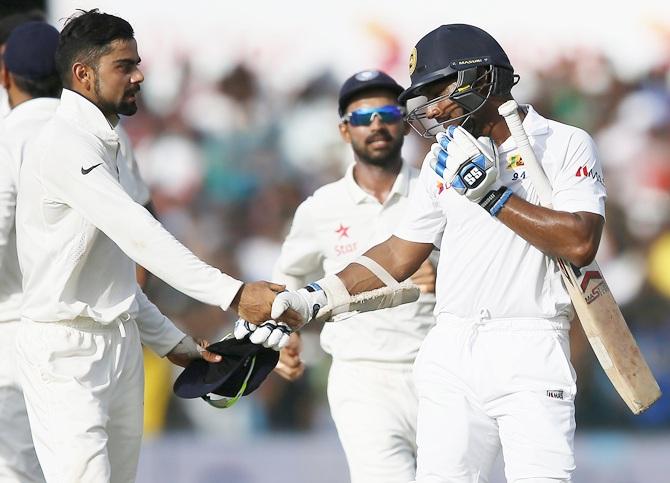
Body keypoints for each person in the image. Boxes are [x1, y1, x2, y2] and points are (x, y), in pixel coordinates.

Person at [270, 24, 607, 483]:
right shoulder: (442, 158)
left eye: (438, 89)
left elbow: (580, 242)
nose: (432, 106)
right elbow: (399, 252)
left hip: (529, 344)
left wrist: (495, 199)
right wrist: (315, 296)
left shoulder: (565, 143)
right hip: (450, 347)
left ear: (481, 77)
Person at [13, 10, 282, 483]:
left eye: (137, 62)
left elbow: (116, 274)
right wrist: (235, 295)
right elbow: (139, 233)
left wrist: (172, 342)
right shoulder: (62, 142)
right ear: (83, 74)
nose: (139, 75)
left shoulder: (107, 142)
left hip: (117, 344)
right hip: (64, 350)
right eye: (124, 66)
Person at [271, 70, 437, 483]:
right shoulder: (321, 207)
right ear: (345, 130)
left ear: (404, 120)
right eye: (363, 118)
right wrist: (284, 336)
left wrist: (445, 274)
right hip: (361, 376)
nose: (376, 125)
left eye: (387, 113)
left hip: (439, 368)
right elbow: (288, 276)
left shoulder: (437, 190)